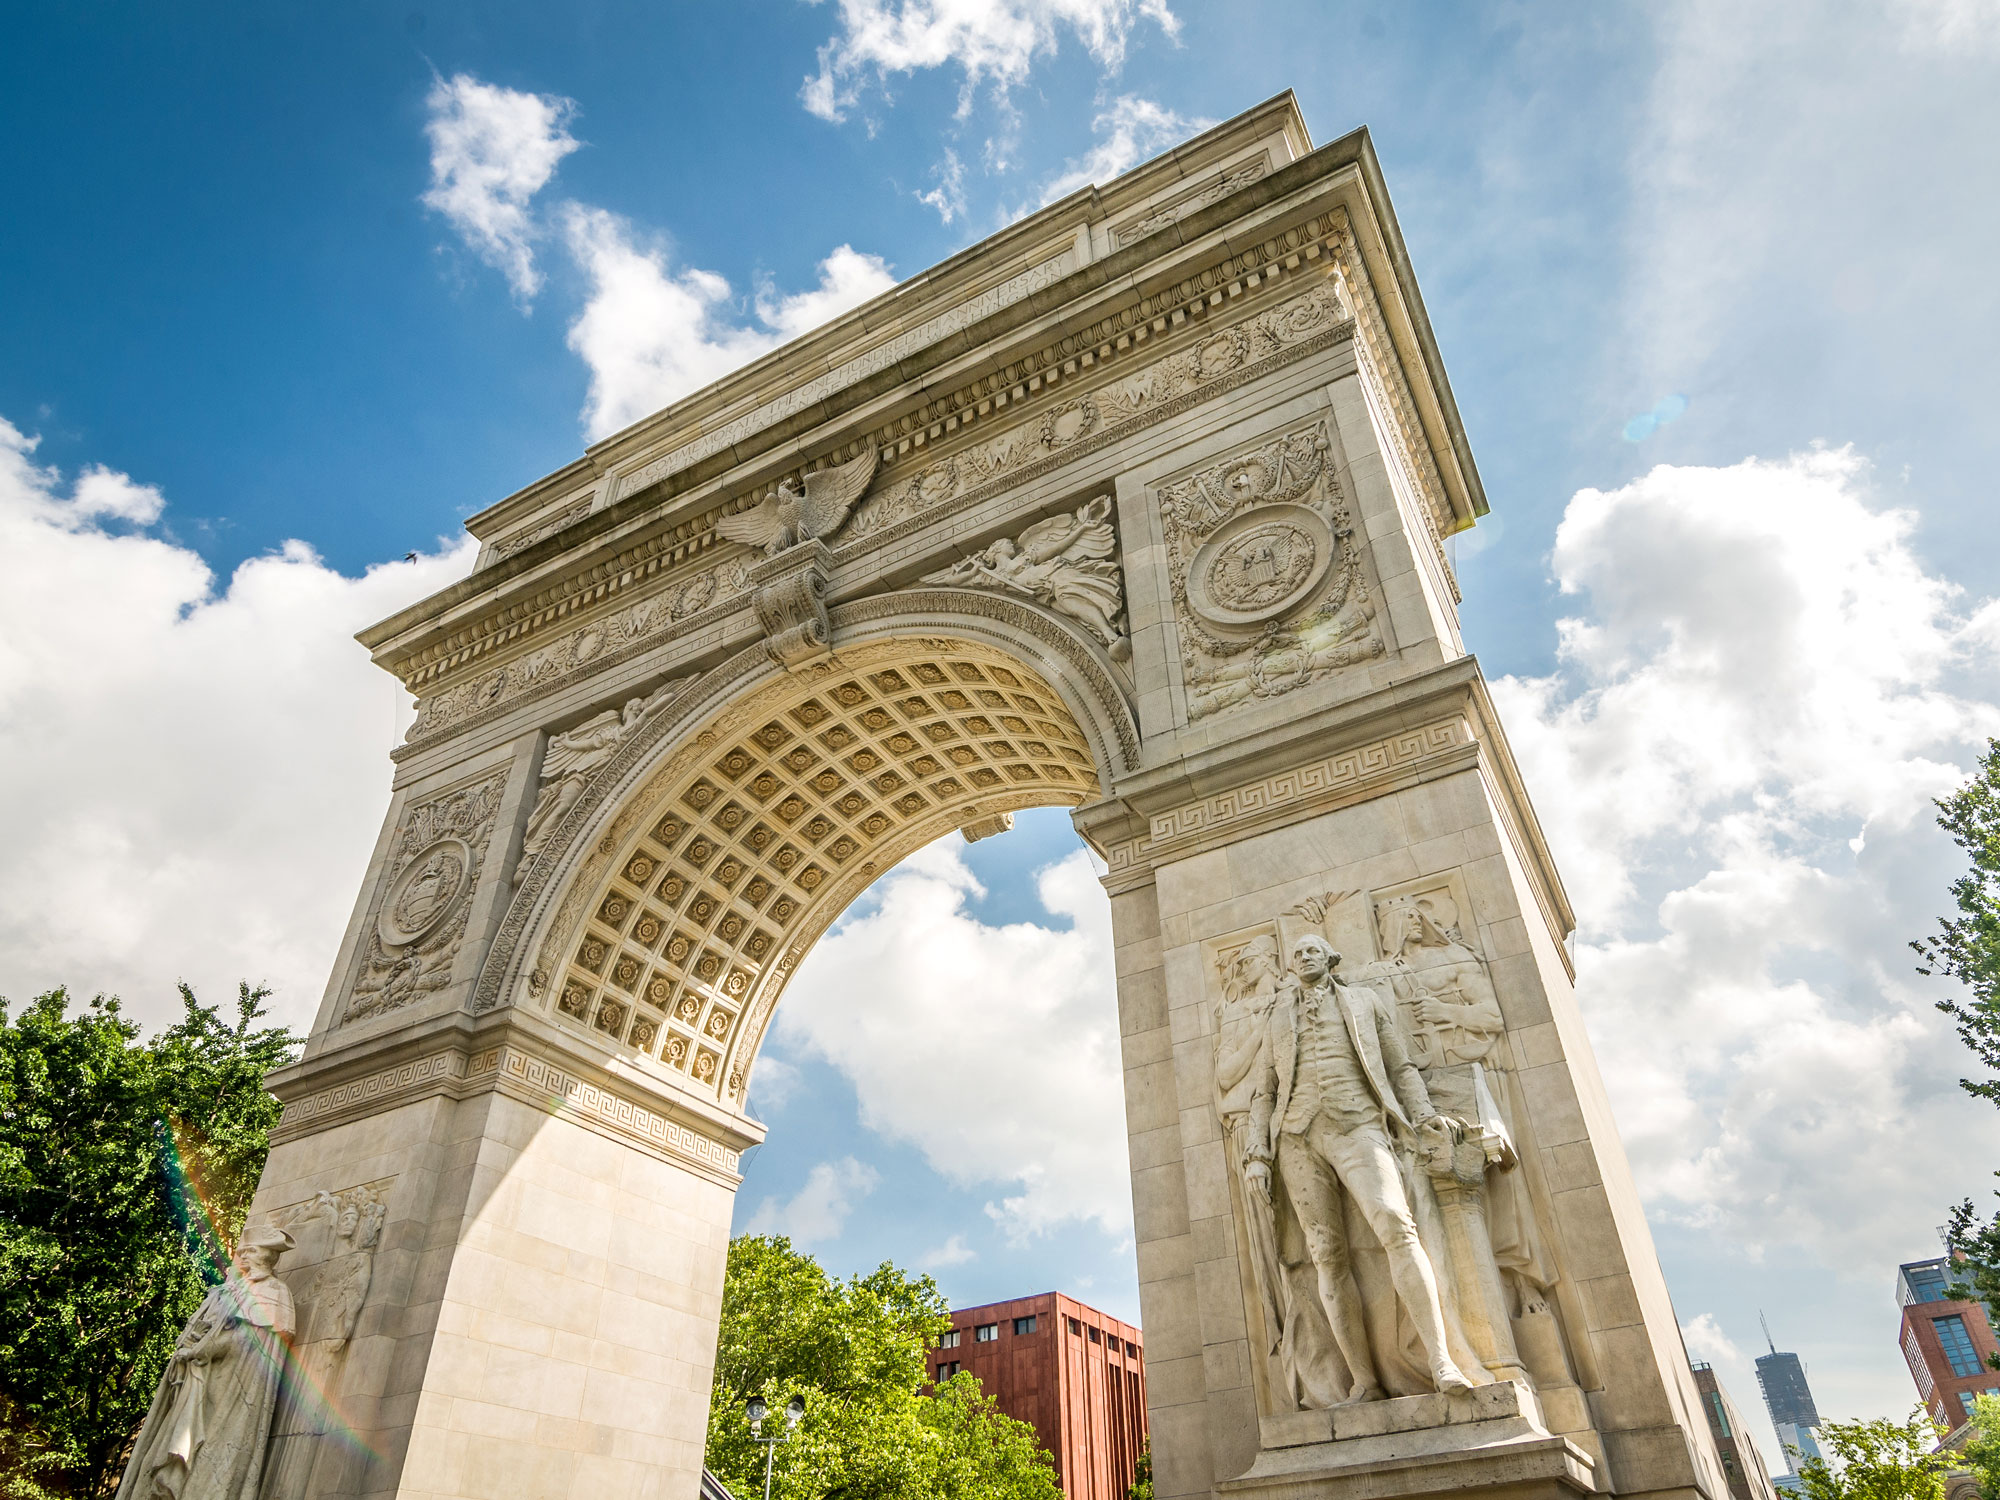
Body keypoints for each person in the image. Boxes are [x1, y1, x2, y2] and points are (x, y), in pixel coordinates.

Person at [1245, 935, 1474, 1399]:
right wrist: (1257, 1154)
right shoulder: (1278, 1018)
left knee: (1395, 1223)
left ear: (1331, 958)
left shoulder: (1364, 1001)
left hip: (1359, 1125)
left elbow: (1400, 1066)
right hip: (1297, 1137)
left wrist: (1424, 1115)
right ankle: (1364, 1381)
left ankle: (1441, 1361)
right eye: (1298, 952)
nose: (1304, 956)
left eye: (1312, 950)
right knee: (1326, 1253)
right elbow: (1263, 1090)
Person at [116, 1224, 297, 1500]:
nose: (243, 1255)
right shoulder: (227, 1291)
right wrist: (192, 1348)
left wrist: (202, 1350)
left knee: (211, 1449)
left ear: (268, 1256)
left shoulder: (274, 1291)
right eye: (243, 1250)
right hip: (201, 1380)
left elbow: (248, 1339)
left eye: (251, 1250)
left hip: (234, 1389)